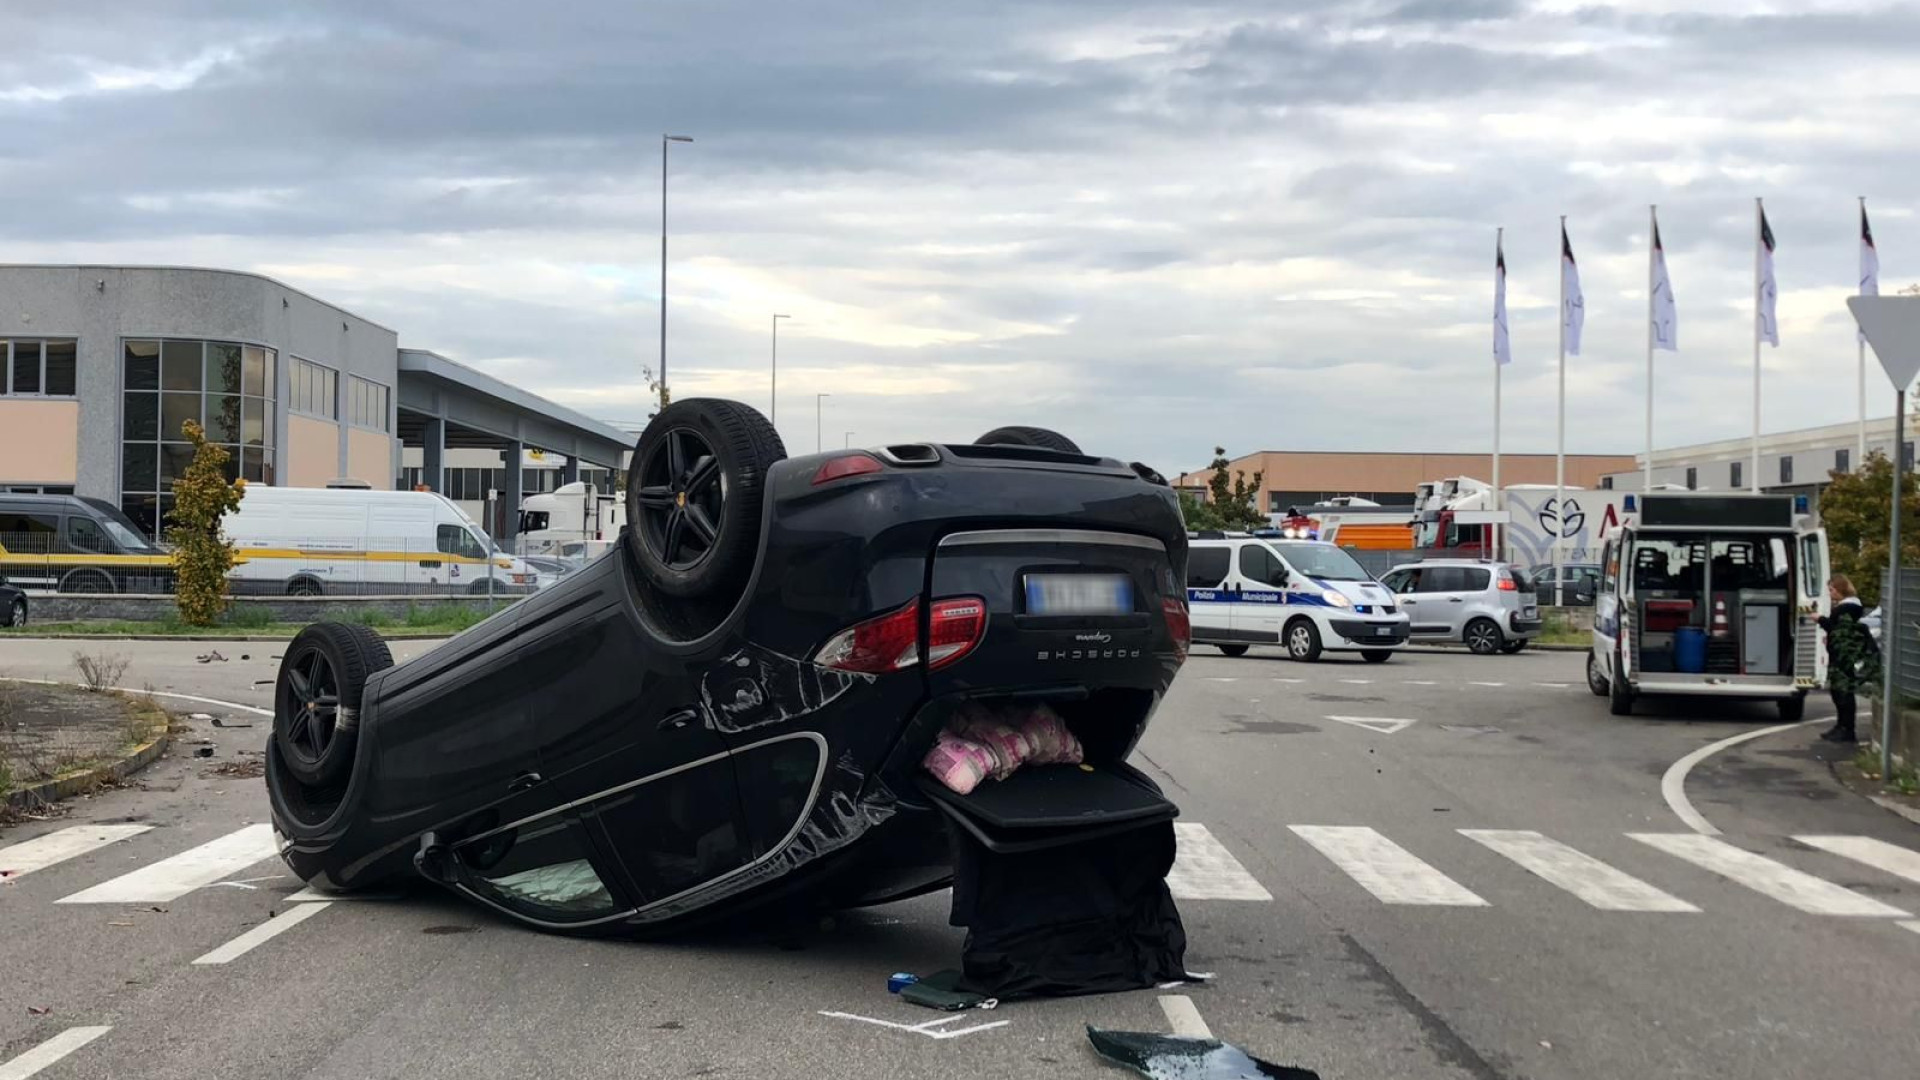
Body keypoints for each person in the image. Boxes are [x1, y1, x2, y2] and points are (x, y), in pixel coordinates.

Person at [1816, 574, 1881, 743]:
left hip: (1842, 655)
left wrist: (1820, 619)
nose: (1830, 594)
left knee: (1843, 692)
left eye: (1832, 590)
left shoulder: (1846, 609)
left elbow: (1837, 628)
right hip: (1840, 654)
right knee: (1838, 692)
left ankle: (1847, 729)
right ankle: (1841, 726)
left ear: (1839, 590)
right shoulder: (1849, 608)